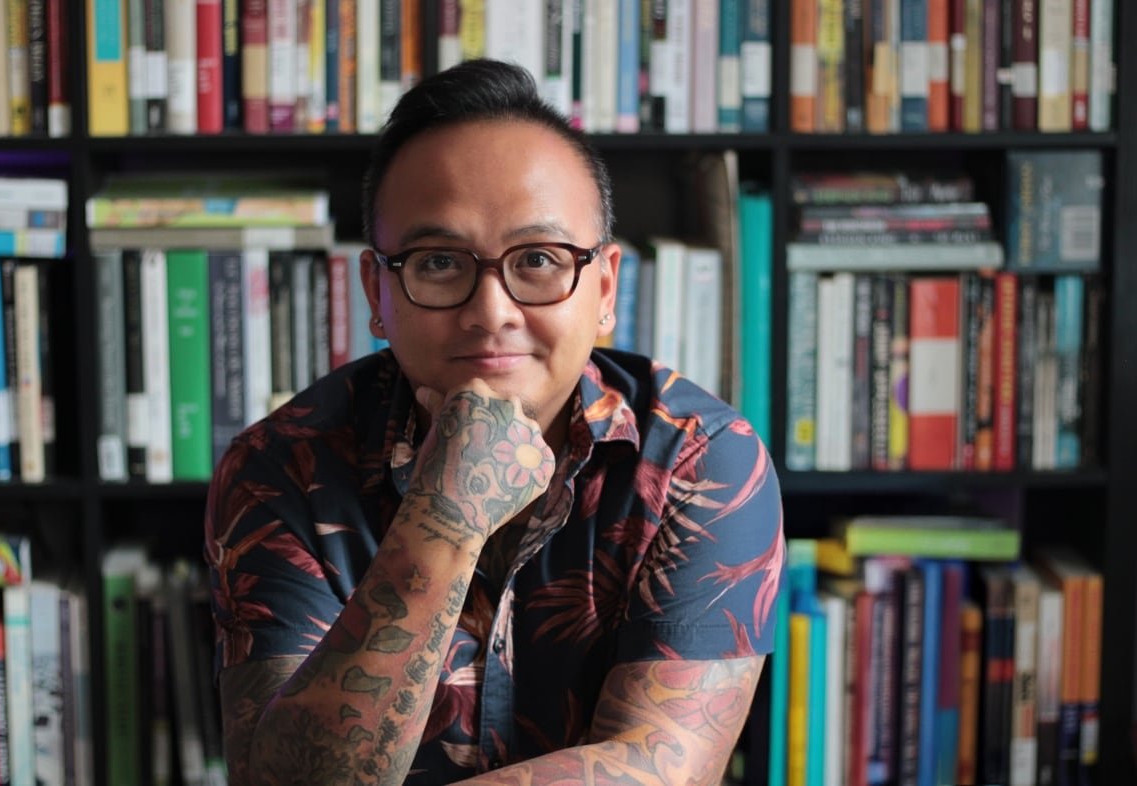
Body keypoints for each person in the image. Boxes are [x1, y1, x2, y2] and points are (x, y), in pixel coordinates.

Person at [204, 58, 784, 786]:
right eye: (439, 262)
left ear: (604, 289)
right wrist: (446, 518)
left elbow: (659, 768)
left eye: (538, 259)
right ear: (377, 292)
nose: (491, 312)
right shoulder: (280, 467)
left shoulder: (702, 463)